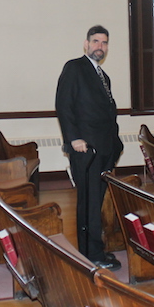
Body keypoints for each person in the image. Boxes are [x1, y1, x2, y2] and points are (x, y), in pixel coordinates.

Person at [55, 25, 124, 270]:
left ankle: (97, 250)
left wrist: (116, 145)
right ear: (86, 44)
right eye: (95, 41)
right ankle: (89, 256)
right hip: (86, 151)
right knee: (88, 203)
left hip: (105, 150)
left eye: (104, 43)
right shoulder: (75, 68)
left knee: (96, 203)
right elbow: (64, 106)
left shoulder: (103, 77)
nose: (100, 47)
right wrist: (74, 139)